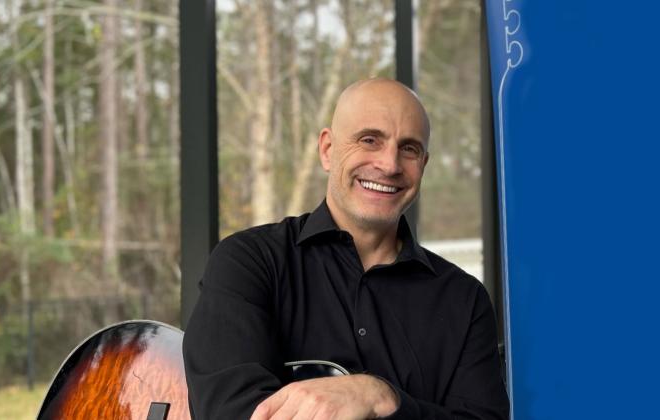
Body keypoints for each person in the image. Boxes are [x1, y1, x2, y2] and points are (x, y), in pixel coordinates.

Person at [183, 78, 510, 419]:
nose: (389, 165)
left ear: (423, 165)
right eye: (370, 140)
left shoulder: (464, 299)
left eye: (409, 148)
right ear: (327, 149)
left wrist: (383, 398)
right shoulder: (250, 262)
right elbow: (230, 411)